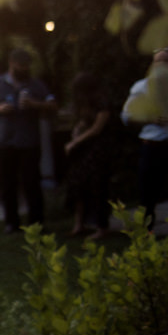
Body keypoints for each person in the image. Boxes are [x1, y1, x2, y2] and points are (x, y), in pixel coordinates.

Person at [0, 49, 57, 234]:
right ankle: (11, 223)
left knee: (32, 183)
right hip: (4, 142)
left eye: (27, 66)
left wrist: (34, 104)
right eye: (21, 65)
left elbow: (53, 105)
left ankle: (36, 223)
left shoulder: (36, 85)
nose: (24, 69)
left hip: (29, 142)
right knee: (8, 185)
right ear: (11, 63)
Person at [121, 47, 168, 229]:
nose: (163, 65)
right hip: (153, 148)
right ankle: (145, 236)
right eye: (159, 61)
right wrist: (150, 119)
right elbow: (126, 116)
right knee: (147, 196)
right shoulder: (142, 87)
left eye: (167, 61)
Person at [63, 72, 117, 239]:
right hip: (85, 149)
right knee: (79, 185)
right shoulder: (84, 103)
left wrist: (75, 142)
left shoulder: (102, 103)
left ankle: (102, 227)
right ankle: (79, 224)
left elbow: (96, 129)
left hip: (99, 149)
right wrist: (77, 130)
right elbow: (84, 122)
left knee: (98, 187)